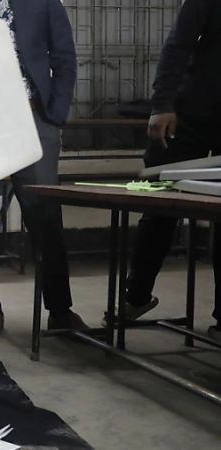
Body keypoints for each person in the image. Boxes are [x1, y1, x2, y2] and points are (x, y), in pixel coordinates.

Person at [0, 0, 85, 339]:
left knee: (44, 214)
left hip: (34, 116)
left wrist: (54, 115)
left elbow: (64, 55)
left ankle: (60, 308)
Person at [124, 0, 221, 341]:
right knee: (159, 205)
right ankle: (135, 297)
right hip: (189, 112)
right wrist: (163, 104)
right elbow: (179, 44)